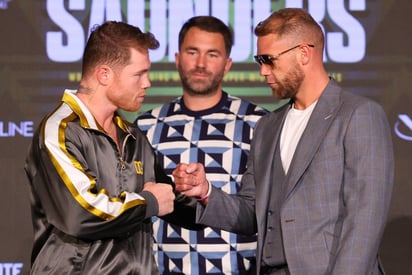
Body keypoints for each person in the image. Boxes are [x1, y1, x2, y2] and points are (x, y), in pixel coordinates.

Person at [173, 8, 394, 275]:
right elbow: (252, 212)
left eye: (270, 60)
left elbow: (364, 222)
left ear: (304, 53)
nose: (263, 71)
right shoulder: (268, 126)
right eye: (259, 61)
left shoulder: (357, 115)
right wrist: (206, 192)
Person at [24, 21, 201, 274]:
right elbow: (80, 214)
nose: (147, 83)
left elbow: (175, 205)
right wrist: (149, 202)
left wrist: (200, 194)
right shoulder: (60, 131)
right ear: (104, 74)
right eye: (139, 74)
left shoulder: (134, 137)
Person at [136, 16, 268, 274]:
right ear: (177, 58)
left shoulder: (260, 124)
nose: (200, 64)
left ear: (228, 64)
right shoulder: (145, 125)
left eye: (212, 54)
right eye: (192, 51)